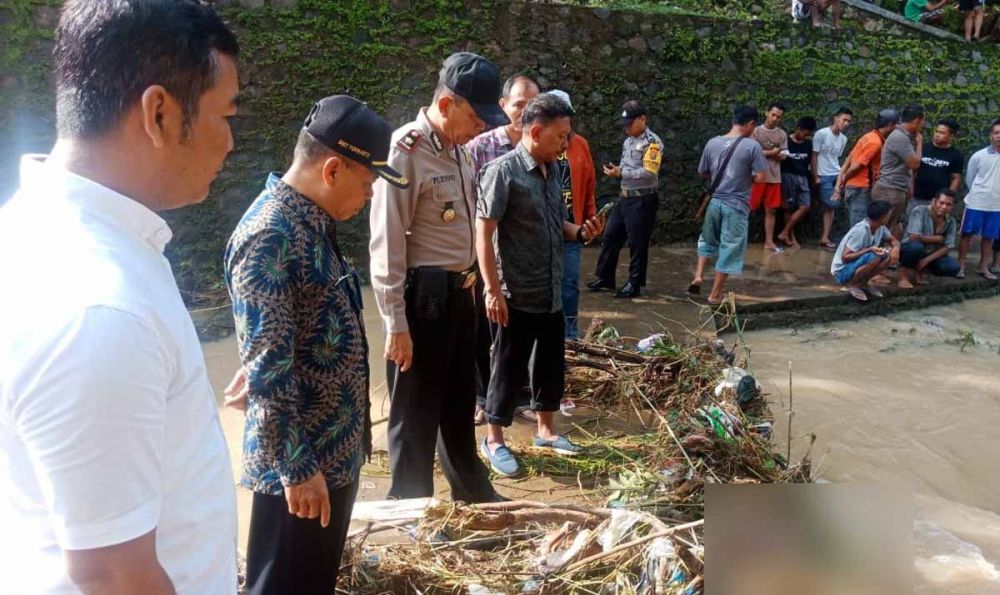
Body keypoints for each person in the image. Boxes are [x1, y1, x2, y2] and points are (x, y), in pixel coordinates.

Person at [0, 1, 240, 593]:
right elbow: (113, 575)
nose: (232, 142)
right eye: (225, 113)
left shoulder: (42, 232)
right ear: (158, 113)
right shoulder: (99, 309)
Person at [225, 97, 405, 594]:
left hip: (332, 453)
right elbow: (268, 375)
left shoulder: (312, 222)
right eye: (368, 183)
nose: (370, 196)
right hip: (299, 472)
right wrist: (299, 470)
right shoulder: (271, 236)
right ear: (332, 169)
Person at [369, 52, 506, 503]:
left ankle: (471, 492)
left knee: (456, 401)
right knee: (414, 413)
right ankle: (410, 508)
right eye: (475, 116)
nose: (482, 126)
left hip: (459, 296)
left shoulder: (460, 152)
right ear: (446, 104)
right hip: (422, 302)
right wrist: (395, 324)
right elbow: (386, 239)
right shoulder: (404, 150)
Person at [476, 93, 604, 477]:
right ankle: (494, 439)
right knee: (506, 368)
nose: (565, 143)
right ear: (535, 131)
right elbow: (483, 234)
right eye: (561, 136)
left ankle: (546, 432)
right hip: (515, 292)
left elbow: (557, 224)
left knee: (550, 364)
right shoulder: (503, 171)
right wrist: (492, 290)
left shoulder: (553, 171)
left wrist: (581, 232)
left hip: (550, 289)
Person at [467, 74, 540, 425]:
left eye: (532, 105)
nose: (525, 112)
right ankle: (483, 398)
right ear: (503, 106)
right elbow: (468, 206)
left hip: (525, 260)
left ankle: (519, 396)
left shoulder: (542, 150)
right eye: (519, 105)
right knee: (484, 330)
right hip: (487, 259)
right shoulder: (479, 148)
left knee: (520, 332)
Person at [688, 105, 769, 305]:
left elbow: (703, 172)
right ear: (750, 124)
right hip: (736, 205)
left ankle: (698, 276)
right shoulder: (752, 147)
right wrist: (744, 177)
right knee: (730, 247)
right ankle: (715, 294)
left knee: (707, 240)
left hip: (714, 202)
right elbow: (760, 178)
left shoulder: (712, 143)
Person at [589, 99, 663, 298]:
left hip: (643, 199)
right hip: (625, 197)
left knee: (638, 243)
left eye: (630, 124)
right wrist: (618, 171)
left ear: (642, 119)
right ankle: (605, 277)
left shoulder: (652, 143)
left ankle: (634, 283)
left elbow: (650, 172)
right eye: (625, 125)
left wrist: (621, 172)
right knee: (611, 236)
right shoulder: (628, 141)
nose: (626, 129)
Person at [549, 89, 597, 340]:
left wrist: (590, 218)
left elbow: (589, 183)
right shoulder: (541, 143)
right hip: (545, 229)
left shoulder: (580, 145)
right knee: (546, 287)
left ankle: (570, 334)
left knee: (569, 284)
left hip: (572, 227)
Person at [833, 109, 899, 228]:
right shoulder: (875, 143)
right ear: (890, 125)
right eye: (895, 125)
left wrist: (840, 182)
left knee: (858, 223)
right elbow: (858, 165)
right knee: (859, 226)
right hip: (861, 188)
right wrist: (843, 180)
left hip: (855, 186)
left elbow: (848, 160)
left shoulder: (868, 137)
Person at [871, 104, 924, 238]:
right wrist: (920, 143)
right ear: (917, 120)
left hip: (894, 190)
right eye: (922, 122)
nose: (922, 125)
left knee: (888, 228)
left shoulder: (901, 136)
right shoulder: (900, 138)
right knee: (881, 230)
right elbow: (914, 164)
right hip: (889, 190)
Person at [831, 200, 900, 302]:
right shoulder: (861, 230)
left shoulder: (880, 227)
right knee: (874, 256)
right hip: (841, 272)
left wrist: (896, 249)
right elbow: (845, 257)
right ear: (883, 217)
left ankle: (863, 283)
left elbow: (893, 240)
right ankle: (852, 284)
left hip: (855, 265)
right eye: (888, 215)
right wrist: (869, 249)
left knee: (886, 256)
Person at [957, 118, 1000, 280]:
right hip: (976, 203)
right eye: (996, 133)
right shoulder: (979, 156)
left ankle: (983, 267)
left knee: (989, 237)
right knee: (967, 235)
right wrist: (979, 194)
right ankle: (960, 265)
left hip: (997, 206)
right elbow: (970, 179)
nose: (999, 136)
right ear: (990, 135)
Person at [899, 189, 960, 287]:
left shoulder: (951, 221)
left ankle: (922, 269)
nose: (944, 207)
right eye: (941, 203)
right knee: (916, 248)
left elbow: (948, 246)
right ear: (934, 201)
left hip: (930, 253)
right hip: (910, 248)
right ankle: (903, 276)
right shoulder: (920, 211)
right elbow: (913, 237)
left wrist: (926, 260)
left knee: (954, 267)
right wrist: (938, 239)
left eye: (948, 204)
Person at [750, 101, 789, 253]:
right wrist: (773, 153)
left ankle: (769, 242)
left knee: (771, 210)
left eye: (778, 117)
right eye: (773, 114)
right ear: (766, 113)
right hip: (757, 176)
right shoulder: (756, 131)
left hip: (774, 177)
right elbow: (752, 152)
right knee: (747, 208)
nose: (775, 118)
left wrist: (774, 155)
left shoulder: (782, 134)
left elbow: (785, 155)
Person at [813, 107, 853, 249]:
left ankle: (825, 236)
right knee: (831, 204)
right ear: (836, 118)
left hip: (835, 174)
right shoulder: (821, 134)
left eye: (849, 121)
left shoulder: (843, 139)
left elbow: (837, 157)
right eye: (844, 120)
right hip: (822, 174)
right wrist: (815, 174)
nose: (846, 124)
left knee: (830, 208)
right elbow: (814, 155)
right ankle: (824, 236)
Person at [778, 116, 818, 248]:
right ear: (798, 129)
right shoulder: (786, 140)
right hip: (788, 176)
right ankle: (790, 237)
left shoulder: (808, 143)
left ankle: (784, 232)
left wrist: (814, 175)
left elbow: (812, 159)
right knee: (788, 208)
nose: (805, 136)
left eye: (808, 134)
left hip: (803, 177)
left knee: (805, 206)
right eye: (804, 133)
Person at [913, 118, 963, 208]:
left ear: (951, 136)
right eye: (937, 131)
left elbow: (956, 178)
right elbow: (913, 170)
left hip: (939, 202)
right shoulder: (923, 148)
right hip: (917, 198)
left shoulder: (956, 155)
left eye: (942, 133)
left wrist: (948, 198)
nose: (937, 135)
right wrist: (910, 188)